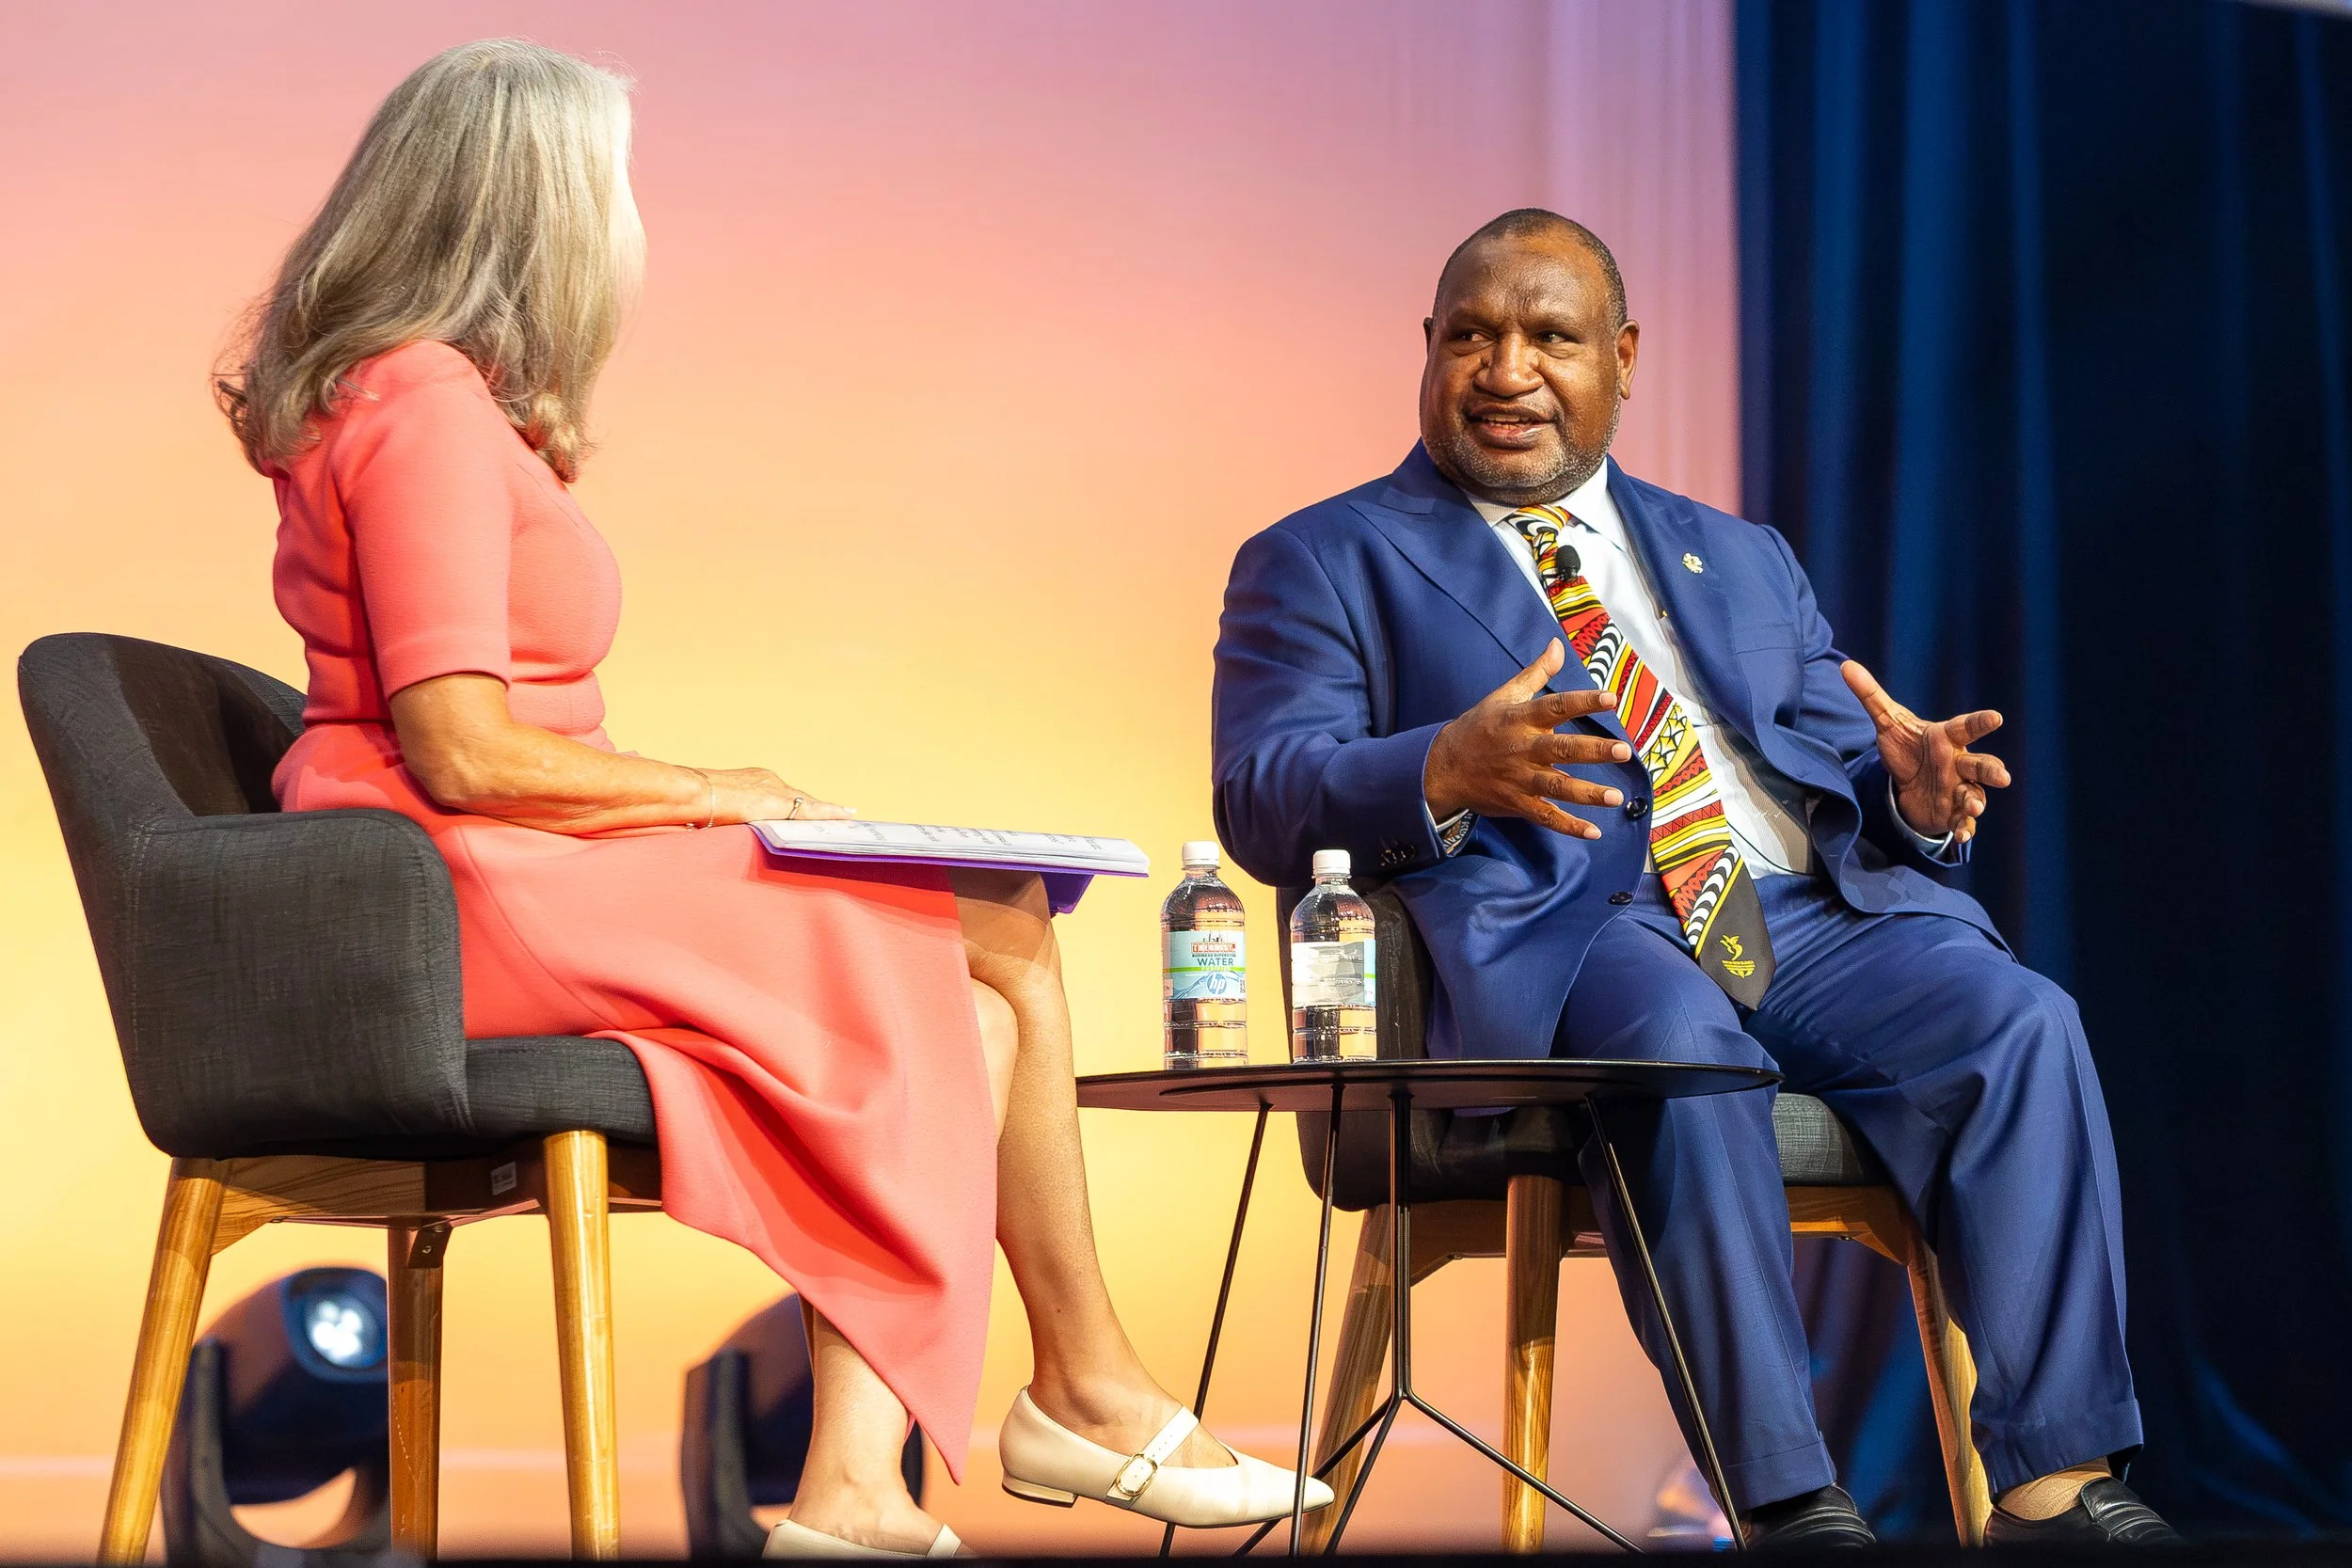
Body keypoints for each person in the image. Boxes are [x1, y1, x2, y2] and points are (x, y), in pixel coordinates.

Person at [227, 40, 1327, 1559]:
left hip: (483, 861)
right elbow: (462, 748)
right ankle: (1082, 1389)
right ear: (526, 211)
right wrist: (706, 792)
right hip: (449, 884)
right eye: (609, 188)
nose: (629, 228)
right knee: (981, 926)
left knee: (985, 993)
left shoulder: (439, 402)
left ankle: (857, 1492)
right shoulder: (419, 405)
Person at [1210, 208, 2179, 1547]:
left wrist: (1915, 802)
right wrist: (1438, 767)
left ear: (1622, 356)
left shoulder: (1741, 554)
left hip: (1798, 911)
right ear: (1426, 351)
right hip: (1566, 924)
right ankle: (1790, 1502)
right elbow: (1261, 791)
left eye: (1549, 336)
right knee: (1680, 1038)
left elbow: (1842, 768)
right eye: (1470, 336)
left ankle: (2056, 1489)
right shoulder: (1324, 556)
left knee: (2022, 1021)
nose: (1506, 370)